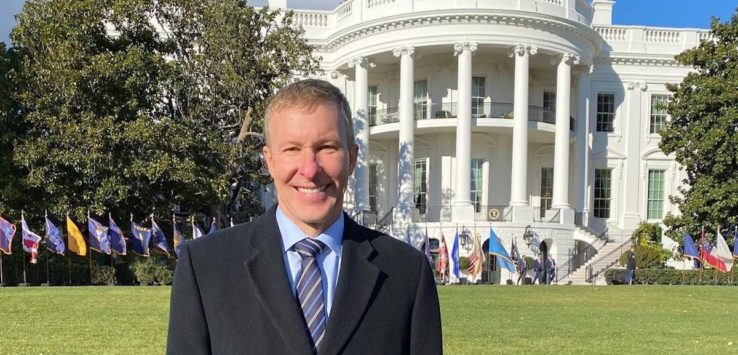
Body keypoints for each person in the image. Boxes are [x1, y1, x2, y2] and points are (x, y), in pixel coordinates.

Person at [166, 79, 442, 355]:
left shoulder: (406, 273)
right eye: (292, 149)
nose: (310, 170)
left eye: (327, 147)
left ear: (352, 159)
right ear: (270, 161)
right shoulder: (206, 266)